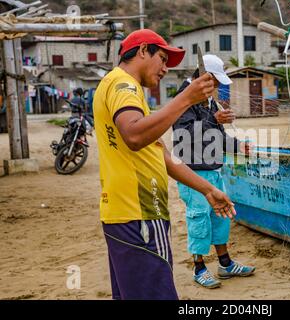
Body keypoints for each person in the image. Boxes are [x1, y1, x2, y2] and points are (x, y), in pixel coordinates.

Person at [93, 29, 237, 300]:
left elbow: (160, 154)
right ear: (143, 51)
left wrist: (207, 189)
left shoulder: (121, 88)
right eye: (162, 58)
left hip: (126, 213)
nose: (165, 68)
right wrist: (186, 99)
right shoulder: (124, 85)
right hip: (141, 213)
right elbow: (134, 135)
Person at [173, 54, 255, 289]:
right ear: (203, 76)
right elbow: (184, 134)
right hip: (193, 172)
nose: (217, 87)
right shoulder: (184, 99)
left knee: (221, 216)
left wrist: (239, 146)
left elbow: (217, 136)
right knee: (198, 218)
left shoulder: (208, 101)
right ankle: (199, 268)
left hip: (213, 169)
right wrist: (214, 118)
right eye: (214, 81)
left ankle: (225, 264)